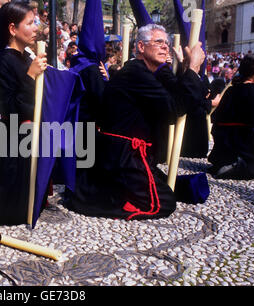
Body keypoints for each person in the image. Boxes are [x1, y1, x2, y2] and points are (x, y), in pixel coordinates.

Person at [64, 24, 206, 220]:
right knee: (162, 203)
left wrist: (186, 69)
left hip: (127, 152)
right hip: (124, 154)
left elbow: (176, 95)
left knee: (172, 188)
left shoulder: (144, 72)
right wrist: (193, 69)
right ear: (141, 46)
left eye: (166, 43)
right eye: (158, 42)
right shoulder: (136, 73)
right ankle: (100, 198)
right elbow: (174, 107)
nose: (164, 47)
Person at [0, 1, 47, 225]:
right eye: (30, 23)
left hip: (29, 134)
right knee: (12, 206)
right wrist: (30, 77)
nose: (36, 28)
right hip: (11, 138)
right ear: (12, 29)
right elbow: (8, 107)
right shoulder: (2, 63)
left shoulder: (26, 58)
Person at [208, 54, 254, 180]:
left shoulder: (230, 90)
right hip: (242, 142)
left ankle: (224, 162)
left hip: (223, 140)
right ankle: (234, 167)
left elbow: (216, 117)